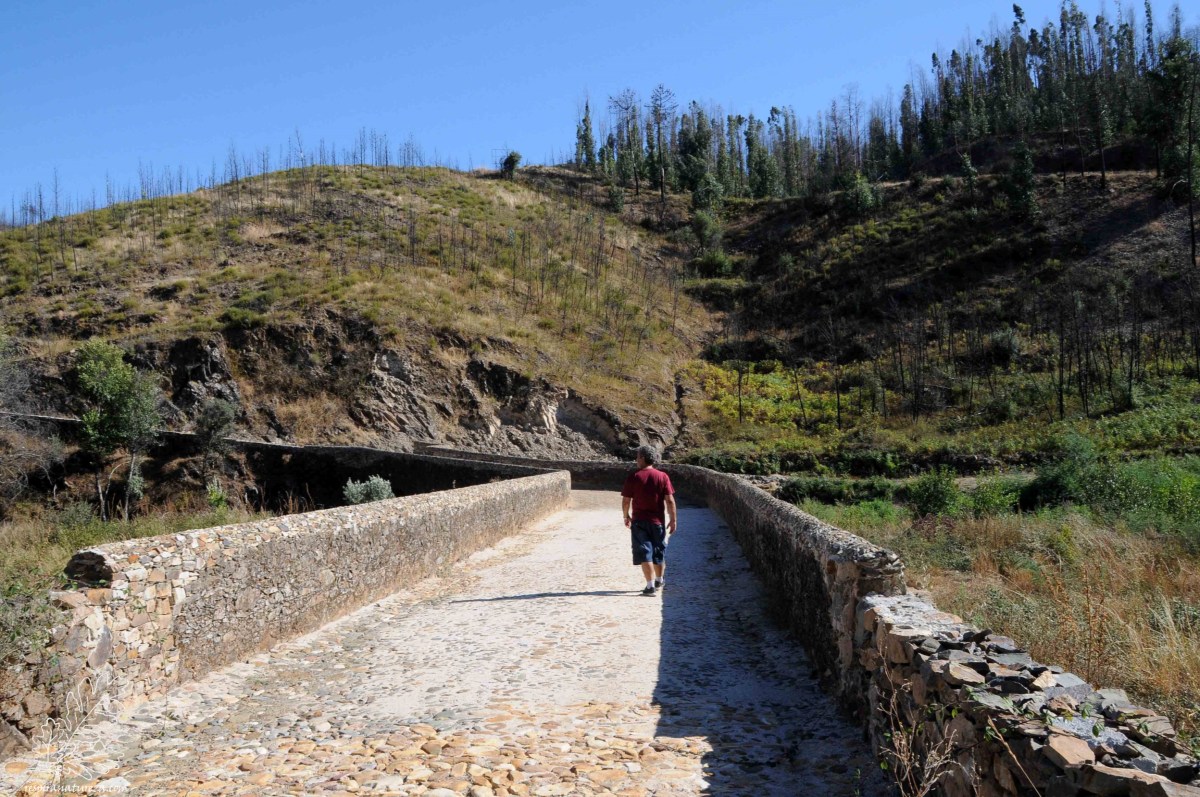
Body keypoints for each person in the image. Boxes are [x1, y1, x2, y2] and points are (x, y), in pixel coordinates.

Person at [621, 444, 678, 596]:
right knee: (658, 551)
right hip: (657, 522)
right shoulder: (662, 476)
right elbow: (670, 500)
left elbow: (626, 501)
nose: (636, 460)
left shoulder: (634, 477)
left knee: (645, 552)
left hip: (639, 522)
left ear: (643, 458)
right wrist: (673, 520)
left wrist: (626, 516)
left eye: (638, 457)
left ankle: (650, 586)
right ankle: (659, 580)